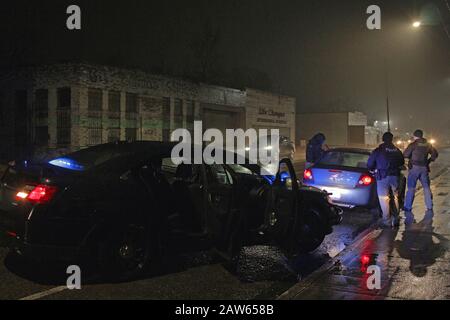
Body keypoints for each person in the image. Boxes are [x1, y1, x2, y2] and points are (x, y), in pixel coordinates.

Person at [367, 132, 405, 228]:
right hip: (394, 176)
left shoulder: (378, 150)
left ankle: (387, 221)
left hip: (382, 176)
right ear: (392, 139)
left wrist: (372, 169)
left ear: (383, 139)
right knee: (396, 197)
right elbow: (402, 162)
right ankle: (396, 219)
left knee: (384, 199)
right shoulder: (396, 150)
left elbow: (370, 163)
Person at [403, 129, 438, 212]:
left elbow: (405, 154)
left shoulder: (413, 145)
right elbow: (435, 154)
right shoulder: (428, 145)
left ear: (415, 136)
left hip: (414, 168)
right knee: (426, 187)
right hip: (424, 168)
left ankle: (408, 207)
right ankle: (429, 206)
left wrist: (410, 159)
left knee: (411, 188)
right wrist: (428, 161)